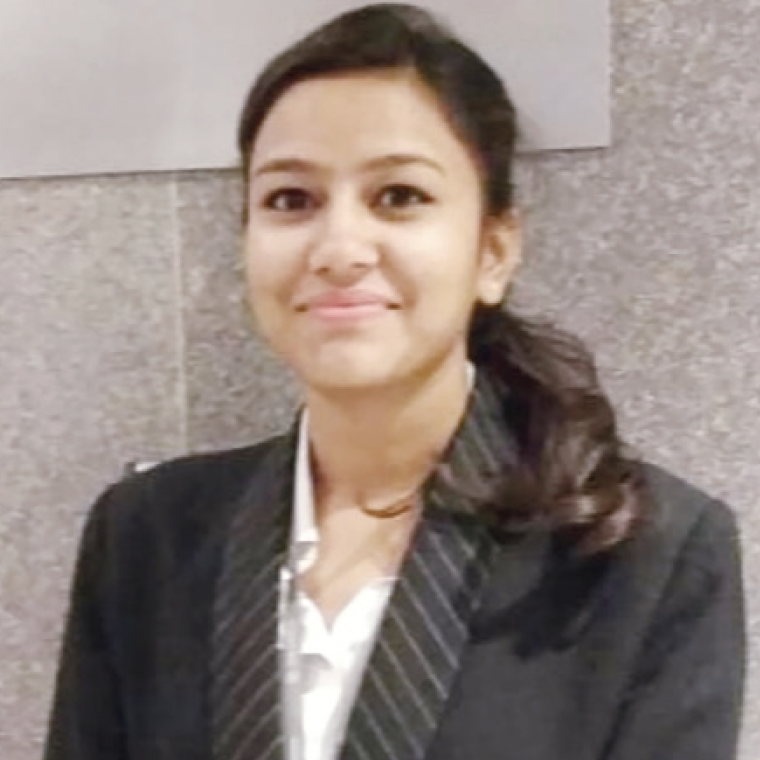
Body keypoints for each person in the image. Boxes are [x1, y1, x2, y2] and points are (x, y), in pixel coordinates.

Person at [44, 4, 745, 760]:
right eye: (291, 200)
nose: (339, 248)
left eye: (399, 196)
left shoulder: (643, 553)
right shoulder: (146, 536)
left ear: (494, 251)